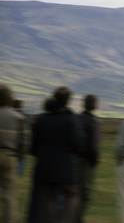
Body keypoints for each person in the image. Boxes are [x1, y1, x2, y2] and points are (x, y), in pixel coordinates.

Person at [31, 87, 82, 223]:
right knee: (72, 197)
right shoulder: (71, 120)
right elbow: (78, 145)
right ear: (67, 100)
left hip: (45, 169)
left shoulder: (41, 120)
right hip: (66, 170)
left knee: (45, 202)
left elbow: (34, 146)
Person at [0, 84, 29, 223]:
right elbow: (24, 142)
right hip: (9, 156)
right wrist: (19, 157)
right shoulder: (18, 117)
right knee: (10, 197)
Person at [77, 94, 100, 223]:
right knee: (85, 193)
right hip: (86, 162)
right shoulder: (94, 122)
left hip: (75, 160)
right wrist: (94, 162)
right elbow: (94, 146)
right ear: (95, 106)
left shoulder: (77, 118)